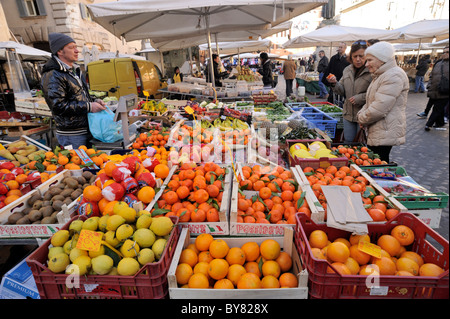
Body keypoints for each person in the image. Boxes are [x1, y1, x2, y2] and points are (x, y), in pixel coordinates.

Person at [41, 33, 106, 149]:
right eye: (71, 47)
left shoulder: (75, 70)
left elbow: (79, 96)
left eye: (76, 47)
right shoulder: (53, 74)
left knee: (90, 163)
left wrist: (94, 101)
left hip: (86, 128)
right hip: (72, 134)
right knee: (76, 165)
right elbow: (58, 106)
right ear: (60, 51)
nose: (77, 51)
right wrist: (89, 106)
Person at [356, 41, 409, 163]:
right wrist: (362, 115)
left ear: (382, 59)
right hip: (378, 129)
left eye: (370, 60)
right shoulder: (381, 75)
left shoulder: (393, 75)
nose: (366, 64)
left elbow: (379, 108)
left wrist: (362, 118)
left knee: (378, 164)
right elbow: (371, 101)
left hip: (384, 131)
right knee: (375, 163)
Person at [327, 40, 372, 143]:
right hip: (348, 114)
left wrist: (360, 98)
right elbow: (342, 90)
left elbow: (376, 92)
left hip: (363, 115)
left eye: (361, 56)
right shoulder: (347, 70)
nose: (358, 59)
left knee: (360, 144)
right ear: (351, 56)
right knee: (348, 142)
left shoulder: (371, 71)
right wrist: (334, 83)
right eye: (355, 56)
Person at [424, 46, 449, 131]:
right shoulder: (438, 62)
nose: (445, 54)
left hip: (445, 91)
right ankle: (440, 122)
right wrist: (429, 84)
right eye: (444, 52)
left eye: (447, 52)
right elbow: (432, 75)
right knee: (439, 108)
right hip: (434, 89)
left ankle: (428, 124)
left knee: (437, 108)